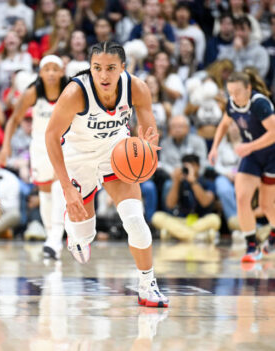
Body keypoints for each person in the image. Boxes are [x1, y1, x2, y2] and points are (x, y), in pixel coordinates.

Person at [45, 41, 169, 307]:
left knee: (135, 220)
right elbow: (51, 135)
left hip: (117, 154)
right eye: (97, 68)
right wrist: (66, 187)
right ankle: (75, 233)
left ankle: (148, 285)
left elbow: (149, 134)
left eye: (111, 68)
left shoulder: (137, 87)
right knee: (84, 236)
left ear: (123, 68)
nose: (103, 75)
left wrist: (148, 150)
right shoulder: (75, 93)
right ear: (90, 68)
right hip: (78, 158)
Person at [0, 55, 67, 260]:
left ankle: (56, 237)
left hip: (65, 145)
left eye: (55, 69)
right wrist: (5, 146)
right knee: (45, 192)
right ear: (40, 73)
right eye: (47, 69)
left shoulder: (70, 91)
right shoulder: (32, 93)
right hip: (39, 147)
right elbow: (14, 119)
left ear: (62, 72)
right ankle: (52, 238)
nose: (51, 73)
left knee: (59, 187)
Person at [208, 70, 275, 262]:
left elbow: (274, 132)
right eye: (230, 93)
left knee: (266, 205)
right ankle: (251, 246)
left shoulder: (259, 104)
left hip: (271, 154)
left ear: (249, 88)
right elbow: (223, 124)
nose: (234, 97)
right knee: (242, 198)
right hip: (252, 154)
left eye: (237, 92)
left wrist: (248, 146)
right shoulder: (232, 103)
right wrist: (214, 148)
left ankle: (273, 232)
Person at [152, 154, 221, 242]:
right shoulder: (180, 182)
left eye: (192, 166)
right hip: (181, 220)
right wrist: (176, 182)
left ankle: (177, 234)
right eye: (186, 167)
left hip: (199, 220)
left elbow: (205, 202)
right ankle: (198, 236)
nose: (189, 169)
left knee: (215, 219)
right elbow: (170, 205)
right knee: (157, 217)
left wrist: (193, 182)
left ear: (198, 167)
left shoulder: (207, 182)